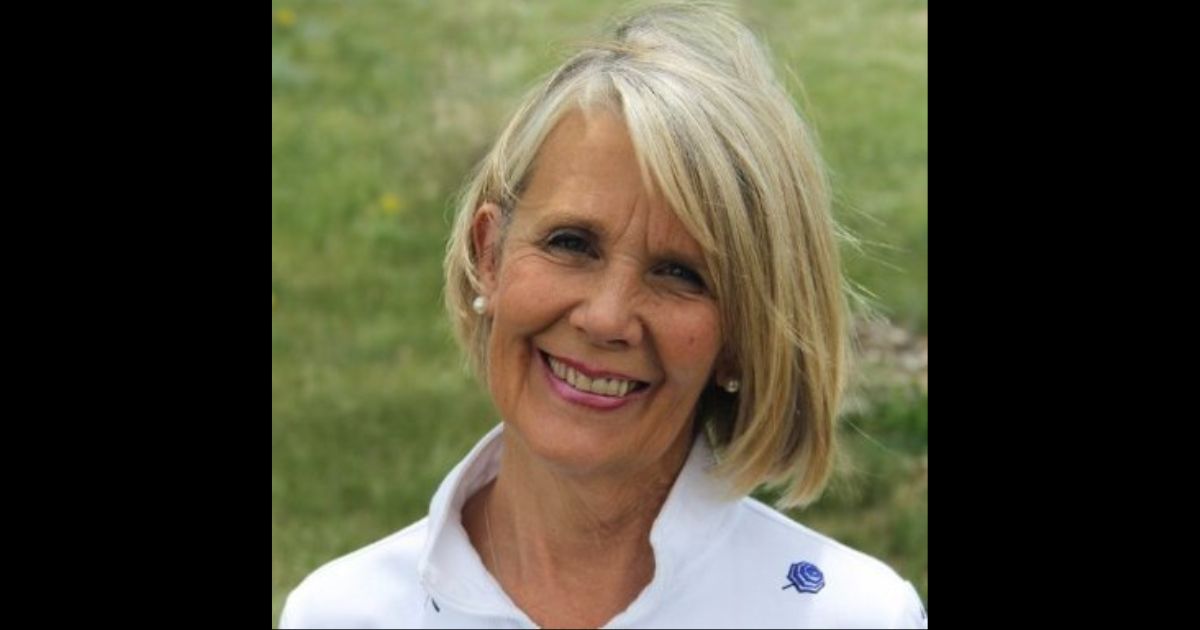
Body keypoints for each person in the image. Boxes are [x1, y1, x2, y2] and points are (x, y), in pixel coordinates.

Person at [280, 3, 926, 628]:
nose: (607, 317)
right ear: (489, 256)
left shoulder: (852, 617)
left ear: (742, 338)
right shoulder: (343, 614)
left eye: (681, 274)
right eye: (571, 243)